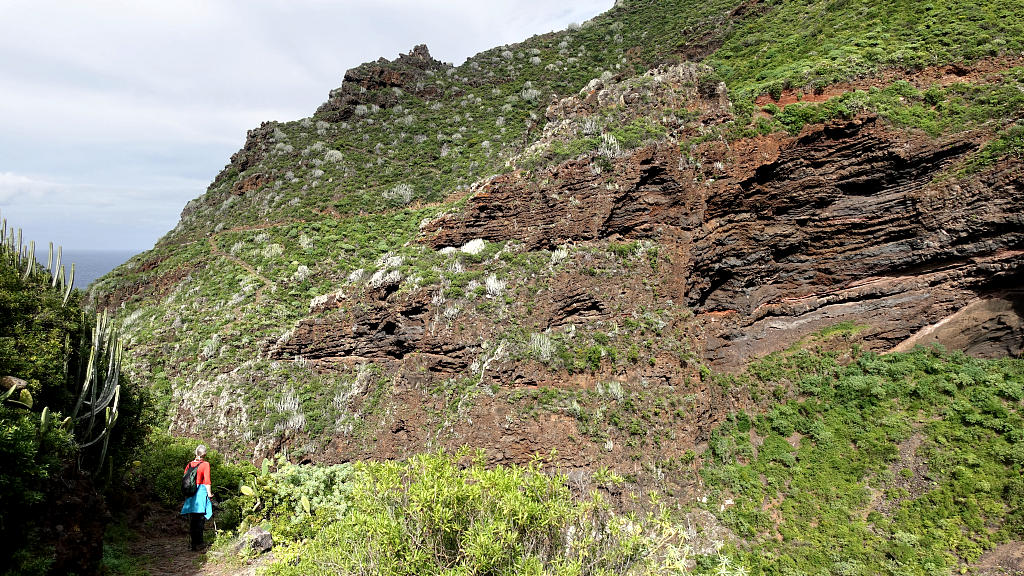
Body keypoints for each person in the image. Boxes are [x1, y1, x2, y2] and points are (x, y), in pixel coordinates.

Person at [180, 444, 213, 551]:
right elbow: (207, 481)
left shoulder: (189, 464)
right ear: (205, 454)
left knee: (193, 520)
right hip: (200, 493)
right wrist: (209, 494)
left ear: (196, 453)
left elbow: (185, 480)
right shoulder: (205, 465)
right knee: (200, 519)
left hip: (191, 494)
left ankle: (193, 544)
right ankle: (199, 543)